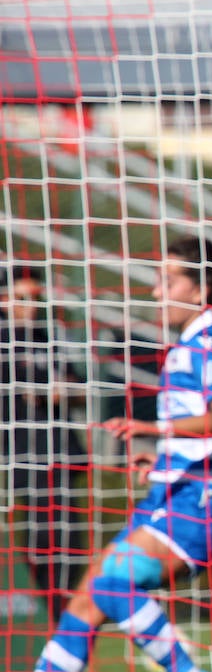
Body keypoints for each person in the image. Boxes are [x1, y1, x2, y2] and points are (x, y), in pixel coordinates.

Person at [1, 235, 212, 672]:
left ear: (199, 290)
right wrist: (164, 458)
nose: (155, 292)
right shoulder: (191, 344)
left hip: (199, 505)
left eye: (167, 281)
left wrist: (155, 428)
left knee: (112, 585)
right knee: (86, 599)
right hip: (171, 494)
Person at [0, 265, 89, 622]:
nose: (31, 306)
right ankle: (44, 615)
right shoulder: (5, 341)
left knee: (71, 543)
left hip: (61, 451)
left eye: (36, 298)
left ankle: (62, 614)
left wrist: (64, 390)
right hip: (25, 455)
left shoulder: (45, 337)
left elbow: (78, 387)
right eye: (22, 298)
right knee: (42, 541)